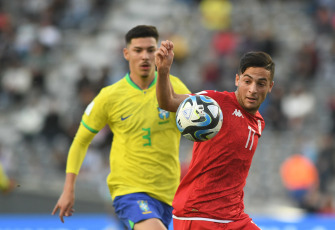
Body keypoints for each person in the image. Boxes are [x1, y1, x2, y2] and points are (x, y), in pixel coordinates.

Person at [52, 25, 190, 230]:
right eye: (138, 50)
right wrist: (68, 188)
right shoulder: (110, 96)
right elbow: (80, 141)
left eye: (150, 50)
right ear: (126, 53)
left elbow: (199, 131)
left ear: (158, 53)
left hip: (169, 194)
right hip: (129, 191)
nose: (145, 56)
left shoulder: (176, 88)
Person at [155, 40, 275, 230]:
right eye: (247, 81)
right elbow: (168, 102)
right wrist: (163, 70)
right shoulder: (213, 103)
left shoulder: (258, 121)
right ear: (237, 80)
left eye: (261, 84)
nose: (253, 89)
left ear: (270, 87)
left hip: (234, 216)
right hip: (199, 214)